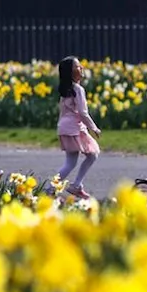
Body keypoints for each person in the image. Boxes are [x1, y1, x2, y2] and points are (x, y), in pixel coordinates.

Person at [54, 56, 102, 199]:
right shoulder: (77, 90)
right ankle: (52, 188)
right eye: (77, 67)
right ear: (71, 72)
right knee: (72, 162)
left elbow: (63, 112)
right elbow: (82, 112)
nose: (81, 69)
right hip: (74, 128)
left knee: (91, 154)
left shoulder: (66, 90)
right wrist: (94, 128)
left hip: (68, 128)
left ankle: (76, 185)